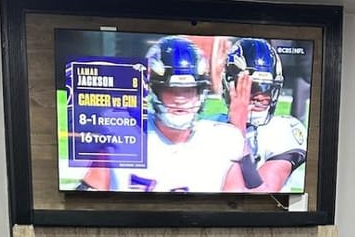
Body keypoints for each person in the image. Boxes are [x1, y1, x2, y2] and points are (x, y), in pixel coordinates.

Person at [76, 37, 250, 193]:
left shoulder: (224, 139)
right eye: (172, 89)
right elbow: (88, 197)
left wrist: (239, 129)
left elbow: (239, 205)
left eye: (188, 90)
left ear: (200, 92)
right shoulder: (124, 133)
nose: (180, 99)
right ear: (155, 90)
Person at [222, 38, 308, 192]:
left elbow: (261, 194)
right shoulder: (211, 127)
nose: (260, 96)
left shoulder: (285, 129)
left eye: (267, 88)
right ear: (230, 86)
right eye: (252, 87)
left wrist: (238, 131)